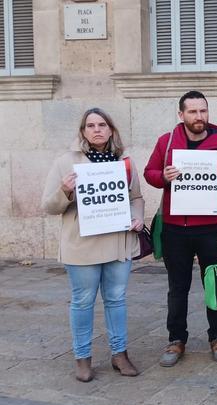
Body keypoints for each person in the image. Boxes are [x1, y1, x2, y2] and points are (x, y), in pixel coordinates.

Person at [41, 108, 143, 382]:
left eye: (102, 125)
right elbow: (48, 206)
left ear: (111, 130)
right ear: (83, 131)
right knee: (83, 301)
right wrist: (65, 190)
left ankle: (119, 354)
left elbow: (136, 197)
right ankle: (82, 358)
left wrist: (137, 217)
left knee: (116, 299)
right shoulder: (66, 162)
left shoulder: (124, 161)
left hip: (118, 241)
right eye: (91, 125)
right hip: (82, 245)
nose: (97, 129)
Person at [143, 91, 217, 367]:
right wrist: (163, 177)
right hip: (175, 229)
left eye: (203, 111)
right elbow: (149, 173)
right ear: (181, 114)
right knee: (177, 287)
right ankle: (176, 339)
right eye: (193, 111)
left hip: (212, 228)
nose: (199, 116)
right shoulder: (166, 142)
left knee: (216, 285)